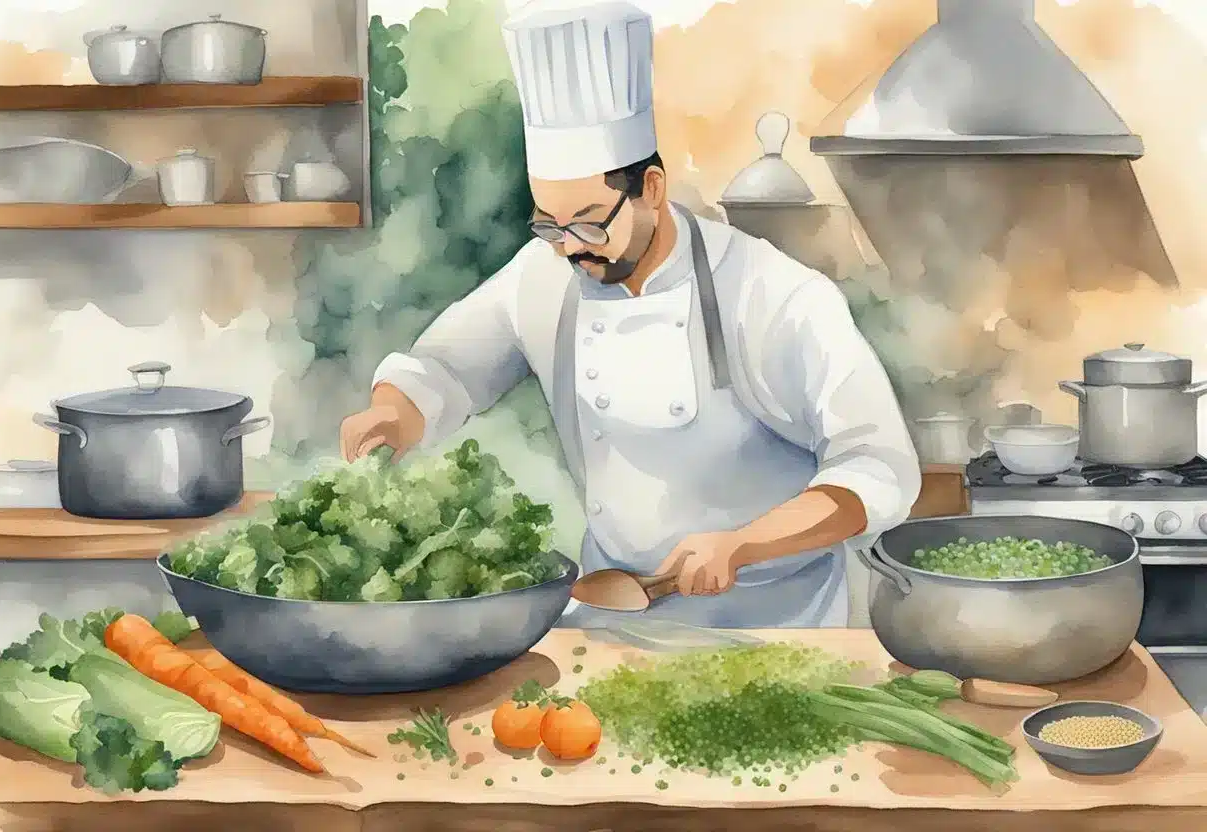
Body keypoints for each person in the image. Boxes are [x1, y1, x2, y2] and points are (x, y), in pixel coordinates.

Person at [340, 0, 921, 629]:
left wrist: (744, 545)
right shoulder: (546, 274)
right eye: (549, 225)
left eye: (589, 224)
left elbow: (877, 467)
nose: (570, 248)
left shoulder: (772, 293)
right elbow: (442, 367)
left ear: (652, 190)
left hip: (776, 625)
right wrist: (393, 414)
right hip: (613, 612)